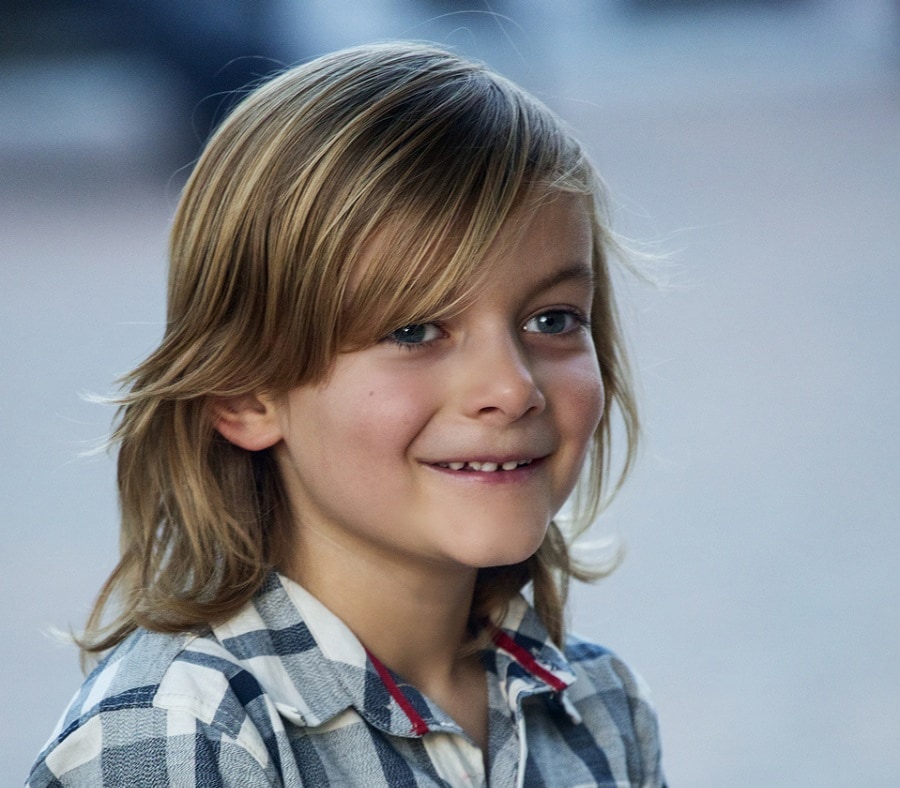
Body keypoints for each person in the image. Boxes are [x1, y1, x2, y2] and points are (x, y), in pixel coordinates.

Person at [28, 41, 665, 787]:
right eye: (415, 331)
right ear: (245, 392)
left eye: (553, 320)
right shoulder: (181, 737)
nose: (511, 387)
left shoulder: (601, 707)